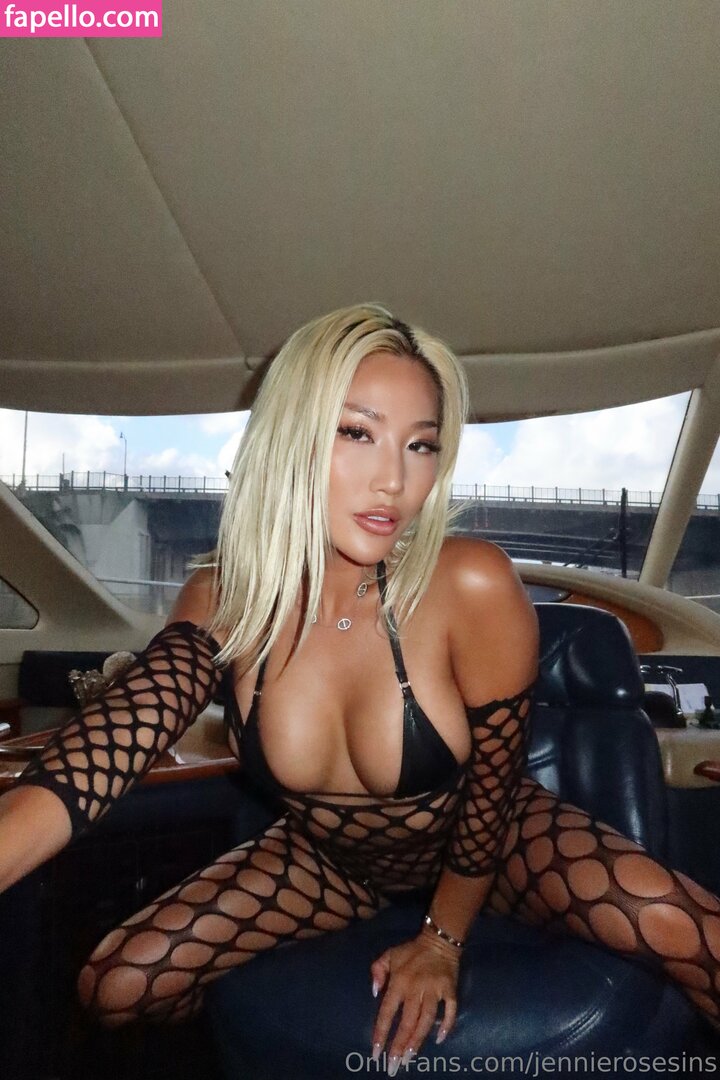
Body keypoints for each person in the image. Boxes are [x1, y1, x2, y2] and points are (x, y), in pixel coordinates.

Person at [1, 303, 719, 1076]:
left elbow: (492, 791)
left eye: (421, 445)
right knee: (116, 985)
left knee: (691, 931)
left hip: (494, 843)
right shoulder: (224, 596)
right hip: (329, 864)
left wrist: (442, 940)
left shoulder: (470, 585)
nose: (394, 481)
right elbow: (117, 737)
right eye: (356, 433)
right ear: (293, 436)